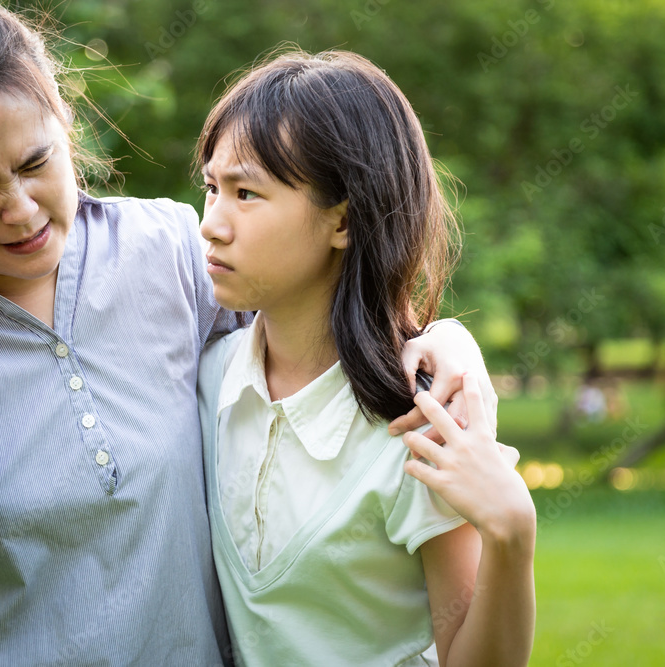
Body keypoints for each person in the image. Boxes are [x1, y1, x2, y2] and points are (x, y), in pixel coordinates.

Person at [0, 2, 494, 665]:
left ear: (65, 124)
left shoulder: (168, 249)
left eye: (35, 163)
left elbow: (316, 328)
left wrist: (437, 342)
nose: (20, 209)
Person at [191, 49, 536, 666]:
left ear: (344, 219)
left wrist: (512, 535)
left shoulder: (418, 423)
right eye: (212, 187)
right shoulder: (207, 379)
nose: (212, 223)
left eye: (246, 193)